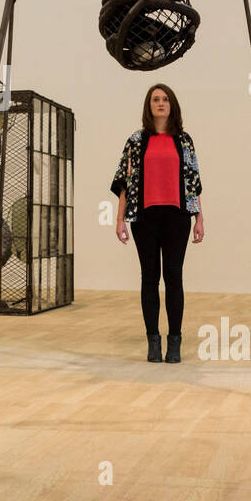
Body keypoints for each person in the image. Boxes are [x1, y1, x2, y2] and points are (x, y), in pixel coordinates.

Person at [109, 84, 204, 363]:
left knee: (174, 277)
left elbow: (193, 183)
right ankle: (153, 341)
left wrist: (199, 217)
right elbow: (123, 182)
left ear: (172, 105)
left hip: (177, 217)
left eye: (165, 99)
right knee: (149, 278)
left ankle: (174, 342)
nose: (160, 103)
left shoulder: (184, 140)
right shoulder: (136, 141)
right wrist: (120, 220)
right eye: (155, 99)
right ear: (148, 106)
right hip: (145, 218)